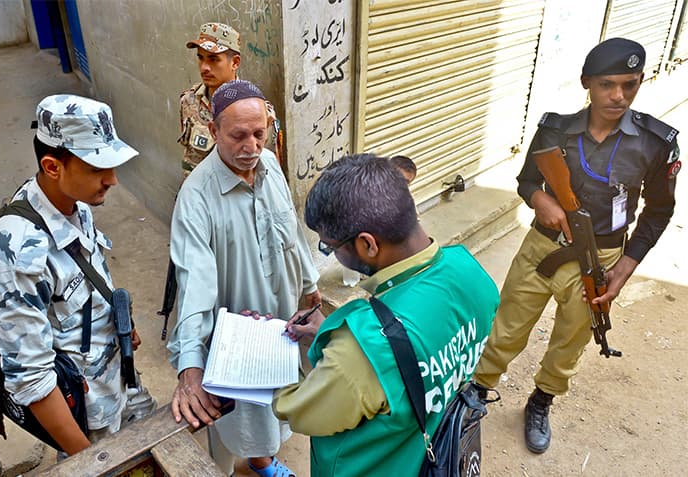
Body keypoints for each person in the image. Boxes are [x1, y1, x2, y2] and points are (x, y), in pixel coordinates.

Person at [473, 37, 680, 454]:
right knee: (508, 324)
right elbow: (527, 180)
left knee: (572, 339)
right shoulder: (555, 129)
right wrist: (541, 199)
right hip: (542, 248)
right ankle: (477, 391)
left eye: (630, 84)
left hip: (601, 258)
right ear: (587, 83)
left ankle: (541, 400)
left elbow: (658, 211)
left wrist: (625, 268)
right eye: (607, 84)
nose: (618, 96)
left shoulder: (655, 144)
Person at [272, 154, 500, 476]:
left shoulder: (361, 350)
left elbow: (299, 411)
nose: (332, 255)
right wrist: (333, 335)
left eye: (330, 247)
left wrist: (264, 359)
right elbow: (423, 345)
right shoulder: (471, 272)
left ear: (367, 244)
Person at [168, 80, 320, 477]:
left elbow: (292, 232)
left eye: (259, 134)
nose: (251, 147)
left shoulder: (269, 165)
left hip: (281, 321)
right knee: (230, 417)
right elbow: (195, 283)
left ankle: (262, 461)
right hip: (235, 339)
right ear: (214, 131)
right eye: (238, 136)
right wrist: (190, 367)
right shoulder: (196, 197)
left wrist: (309, 285)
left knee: (274, 406)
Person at [0, 94, 141, 455]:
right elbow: (31, 380)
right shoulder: (20, 253)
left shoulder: (73, 200)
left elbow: (86, 273)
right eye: (97, 168)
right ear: (53, 166)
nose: (113, 180)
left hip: (116, 381)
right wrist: (90, 461)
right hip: (88, 421)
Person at [178, 22, 278, 176]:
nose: (204, 67)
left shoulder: (259, 112)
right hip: (197, 194)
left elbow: (266, 169)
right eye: (200, 58)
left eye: (213, 59)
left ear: (235, 62)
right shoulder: (189, 101)